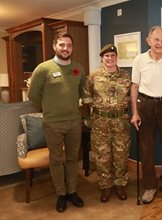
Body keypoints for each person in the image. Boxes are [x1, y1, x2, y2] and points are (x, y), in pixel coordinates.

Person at [28, 32, 86, 213]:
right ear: (54, 46)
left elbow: (80, 92)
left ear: (72, 48)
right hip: (52, 123)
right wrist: (47, 109)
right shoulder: (43, 68)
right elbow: (33, 95)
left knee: (72, 158)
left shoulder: (78, 68)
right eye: (62, 45)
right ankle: (61, 194)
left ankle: (72, 191)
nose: (65, 48)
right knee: (55, 160)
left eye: (69, 45)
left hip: (74, 122)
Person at [130, 26, 162, 205]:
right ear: (149, 40)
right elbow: (134, 86)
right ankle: (150, 187)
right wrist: (135, 112)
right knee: (146, 148)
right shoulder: (139, 60)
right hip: (145, 105)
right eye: (157, 40)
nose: (160, 44)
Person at [82, 44, 131, 203]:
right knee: (102, 156)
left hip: (120, 121)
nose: (110, 59)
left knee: (121, 154)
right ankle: (106, 186)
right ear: (102, 58)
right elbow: (86, 97)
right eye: (106, 56)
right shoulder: (93, 76)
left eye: (113, 55)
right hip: (100, 122)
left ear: (117, 57)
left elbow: (132, 96)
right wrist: (95, 114)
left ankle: (120, 184)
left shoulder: (125, 76)